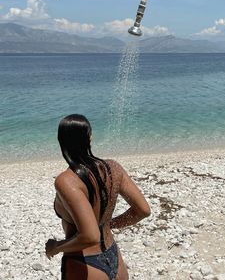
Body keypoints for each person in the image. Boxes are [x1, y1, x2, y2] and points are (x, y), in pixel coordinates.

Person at [45, 114, 151, 280]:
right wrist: (110, 224)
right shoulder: (113, 168)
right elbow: (143, 210)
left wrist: (56, 247)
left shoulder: (67, 181)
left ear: (61, 140)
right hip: (114, 257)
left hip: (84, 263)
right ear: (90, 137)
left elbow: (90, 236)